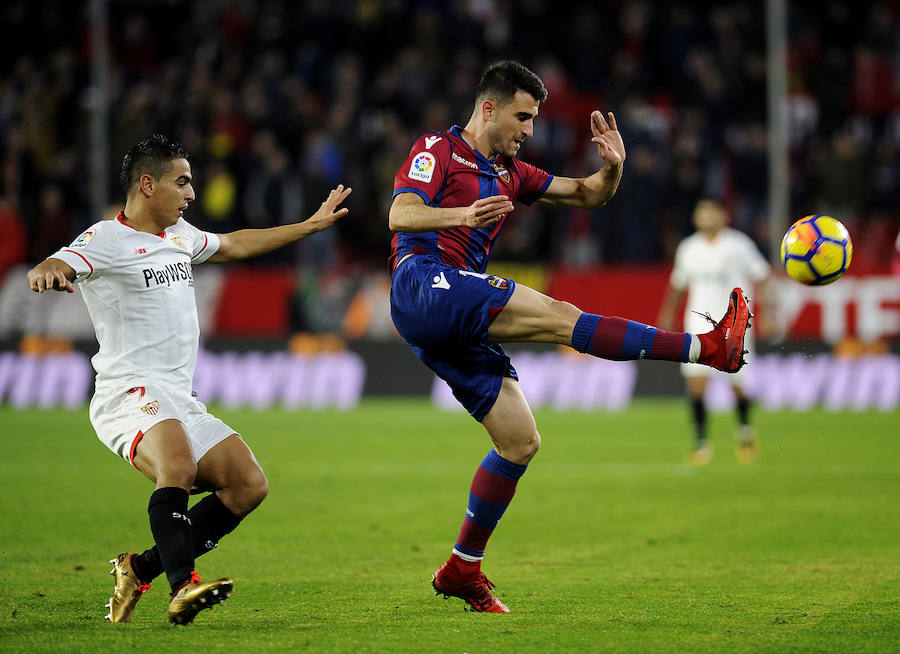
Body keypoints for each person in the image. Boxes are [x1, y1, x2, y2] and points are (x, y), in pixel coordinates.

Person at [388, 61, 752, 613]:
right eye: (523, 116)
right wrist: (462, 213)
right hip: (424, 282)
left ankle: (463, 567)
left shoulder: (513, 171)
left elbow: (585, 195)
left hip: (448, 319)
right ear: (489, 108)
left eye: (533, 119)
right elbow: (400, 213)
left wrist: (613, 169)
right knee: (561, 316)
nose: (530, 130)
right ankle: (706, 348)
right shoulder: (438, 149)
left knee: (519, 441)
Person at [26, 134, 351, 625]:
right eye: (183, 183)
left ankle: (138, 568)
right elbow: (60, 261)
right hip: (127, 393)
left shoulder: (179, 237)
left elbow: (237, 242)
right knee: (175, 465)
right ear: (148, 184)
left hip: (179, 397)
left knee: (247, 484)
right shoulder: (105, 239)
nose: (191, 194)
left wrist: (308, 227)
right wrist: (46, 271)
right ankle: (184, 588)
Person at [658, 198, 771, 466]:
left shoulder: (739, 245)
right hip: (697, 325)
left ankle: (745, 433)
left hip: (734, 326)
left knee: (738, 386)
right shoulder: (688, 248)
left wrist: (769, 313)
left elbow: (763, 275)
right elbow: (678, 283)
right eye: (701, 211)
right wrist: (666, 313)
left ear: (723, 216)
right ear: (696, 217)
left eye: (712, 211)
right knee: (696, 386)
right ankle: (701, 445)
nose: (706, 215)